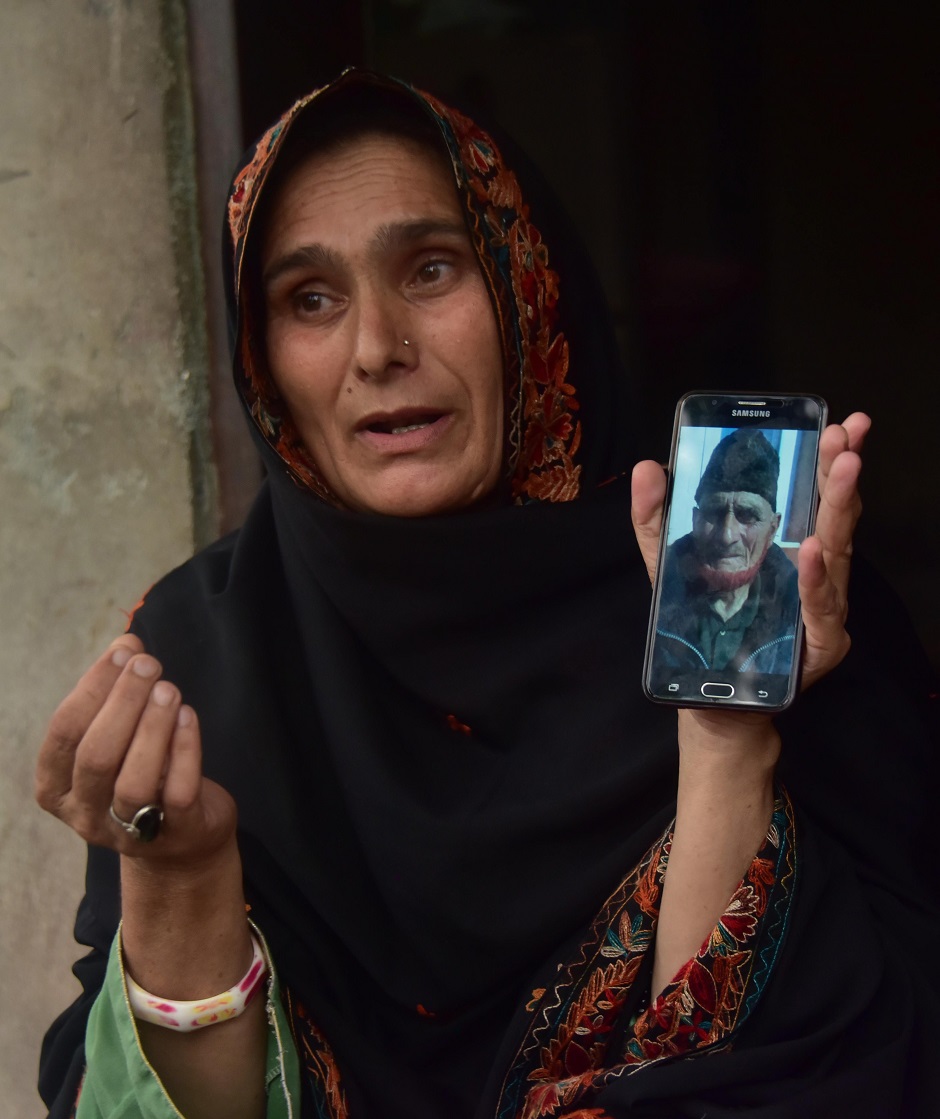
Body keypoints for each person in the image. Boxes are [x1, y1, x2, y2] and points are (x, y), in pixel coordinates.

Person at [35, 70, 937, 1119]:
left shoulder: (770, 603)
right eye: (309, 298)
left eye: (429, 269)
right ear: (261, 360)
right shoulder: (204, 662)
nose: (377, 349)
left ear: (526, 286)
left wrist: (726, 735)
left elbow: (842, 1069)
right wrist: (180, 878)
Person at [654, 427, 799, 673]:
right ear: (695, 519)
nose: (726, 535)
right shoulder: (654, 588)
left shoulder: (796, 612)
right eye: (713, 513)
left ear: (773, 528)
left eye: (747, 515)